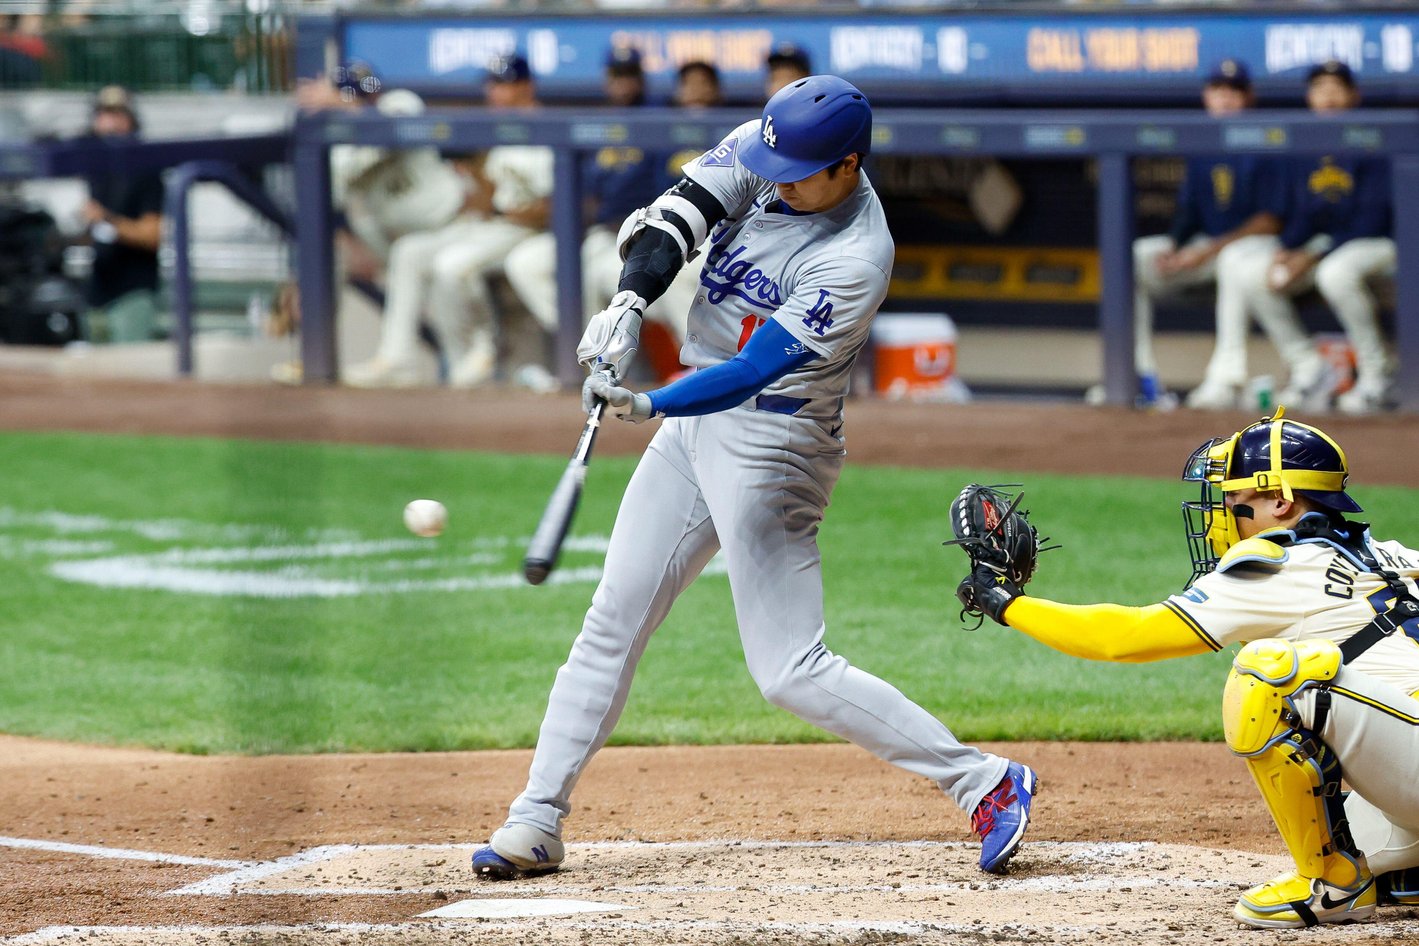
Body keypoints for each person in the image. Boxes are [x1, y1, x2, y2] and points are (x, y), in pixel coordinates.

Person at [472, 75, 1038, 884]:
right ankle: (536, 817)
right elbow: (678, 214)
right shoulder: (773, 146)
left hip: (775, 445)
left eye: (799, 172)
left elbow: (750, 372)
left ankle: (986, 782)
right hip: (693, 428)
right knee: (613, 617)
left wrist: (645, 400)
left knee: (788, 671)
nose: (775, 180)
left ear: (847, 166)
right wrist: (631, 300)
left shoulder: (856, 256)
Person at [954, 407, 1419, 929]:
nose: (1222, 516)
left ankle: (1330, 884)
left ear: (1282, 502)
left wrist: (1006, 603)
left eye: (1235, 502)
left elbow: (1126, 638)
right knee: (1363, 828)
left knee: (1268, 674)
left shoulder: (1281, 564)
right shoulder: (1393, 554)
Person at [345, 54, 552, 389]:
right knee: (410, 252)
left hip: (525, 231)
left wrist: (499, 209)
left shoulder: (548, 128)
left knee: (451, 265)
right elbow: (489, 194)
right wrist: (475, 184)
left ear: (526, 86)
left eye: (505, 84)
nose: (495, 93)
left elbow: (551, 207)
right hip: (491, 226)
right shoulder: (496, 129)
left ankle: (487, 347)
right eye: (492, 84)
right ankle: (400, 358)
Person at [1211, 60, 1394, 414]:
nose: (1328, 97)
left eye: (1336, 88)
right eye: (1320, 89)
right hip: (1329, 247)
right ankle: (1309, 365)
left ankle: (1377, 374)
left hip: (1382, 243)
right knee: (1258, 274)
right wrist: (1286, 248)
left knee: (1335, 273)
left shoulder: (1374, 137)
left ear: (1353, 95)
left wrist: (1313, 252)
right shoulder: (1304, 145)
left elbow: (1371, 219)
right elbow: (1304, 216)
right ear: (1309, 96)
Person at [283, 61, 479, 384]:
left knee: (414, 262)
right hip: (398, 244)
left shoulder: (398, 102)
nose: (365, 100)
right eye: (355, 94)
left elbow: (389, 125)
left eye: (366, 93)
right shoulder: (336, 148)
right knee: (332, 257)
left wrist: (343, 106)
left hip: (455, 226)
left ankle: (397, 362)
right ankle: (313, 357)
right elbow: (327, 207)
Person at [1123, 59, 1288, 411]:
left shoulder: (1268, 139)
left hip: (1256, 250)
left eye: (1233, 92)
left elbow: (1271, 220)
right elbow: (1189, 212)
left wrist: (1206, 251)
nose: (1225, 100)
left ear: (1249, 97)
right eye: (1218, 91)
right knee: (1136, 256)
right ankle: (1139, 375)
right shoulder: (1201, 144)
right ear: (1206, 96)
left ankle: (1226, 378)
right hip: (1210, 251)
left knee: (1232, 258)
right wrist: (1173, 246)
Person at [80, 85, 163, 344]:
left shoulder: (146, 170)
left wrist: (106, 219)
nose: (110, 124)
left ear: (131, 120)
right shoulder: (96, 168)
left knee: (130, 372)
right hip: (97, 291)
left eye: (118, 115)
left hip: (132, 292)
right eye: (104, 115)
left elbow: (153, 235)